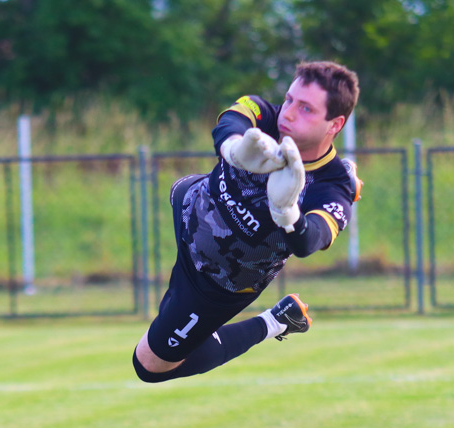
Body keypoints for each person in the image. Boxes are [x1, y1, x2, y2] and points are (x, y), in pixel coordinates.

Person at [133, 61, 362, 383]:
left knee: (148, 366)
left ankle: (277, 321)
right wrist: (235, 149)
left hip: (214, 283)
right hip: (190, 206)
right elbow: (229, 120)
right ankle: (184, 322)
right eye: (290, 99)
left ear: (334, 124)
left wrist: (287, 213)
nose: (289, 113)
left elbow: (311, 241)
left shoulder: (332, 186)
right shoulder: (265, 113)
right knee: (181, 190)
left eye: (307, 109)